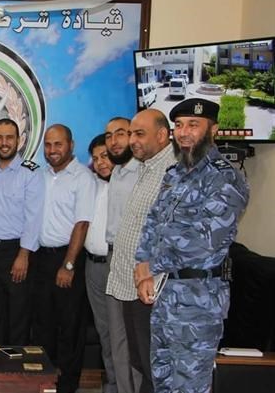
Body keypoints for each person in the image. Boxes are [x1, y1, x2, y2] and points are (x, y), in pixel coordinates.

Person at [134, 99, 249, 393]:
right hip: (165, 296)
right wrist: (143, 267)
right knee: (161, 383)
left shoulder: (224, 177)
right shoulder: (175, 173)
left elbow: (205, 241)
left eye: (193, 125)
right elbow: (153, 221)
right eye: (179, 125)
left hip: (198, 303)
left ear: (214, 130)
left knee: (189, 387)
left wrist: (152, 265)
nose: (184, 133)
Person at [106, 109, 176, 393]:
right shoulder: (147, 167)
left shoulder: (173, 170)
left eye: (139, 134)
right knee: (139, 359)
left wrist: (150, 272)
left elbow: (171, 232)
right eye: (131, 134)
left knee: (151, 362)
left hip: (152, 286)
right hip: (130, 283)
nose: (132, 140)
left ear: (162, 135)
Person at [31, 124, 96, 393]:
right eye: (48, 145)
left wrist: (68, 265)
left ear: (71, 145)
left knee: (70, 329)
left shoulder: (83, 177)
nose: (52, 150)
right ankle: (45, 385)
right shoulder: (40, 176)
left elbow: (82, 223)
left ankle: (67, 387)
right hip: (41, 260)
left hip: (68, 259)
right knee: (42, 327)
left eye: (58, 144)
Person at [0, 118, 44, 346]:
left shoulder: (30, 173)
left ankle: (15, 367)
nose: (4, 143)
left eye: (9, 138)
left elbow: (33, 218)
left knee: (17, 317)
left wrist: (24, 254)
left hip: (16, 252)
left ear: (18, 140)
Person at [103, 116, 141, 393]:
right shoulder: (116, 172)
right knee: (117, 337)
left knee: (136, 339)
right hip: (113, 259)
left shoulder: (144, 172)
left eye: (120, 134)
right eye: (108, 136)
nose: (114, 141)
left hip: (137, 263)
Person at [84, 134, 117, 393]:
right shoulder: (91, 184)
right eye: (95, 159)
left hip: (116, 265)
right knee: (104, 331)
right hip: (92, 266)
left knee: (120, 332)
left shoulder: (128, 184)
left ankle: (123, 385)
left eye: (105, 156)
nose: (101, 163)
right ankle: (112, 383)